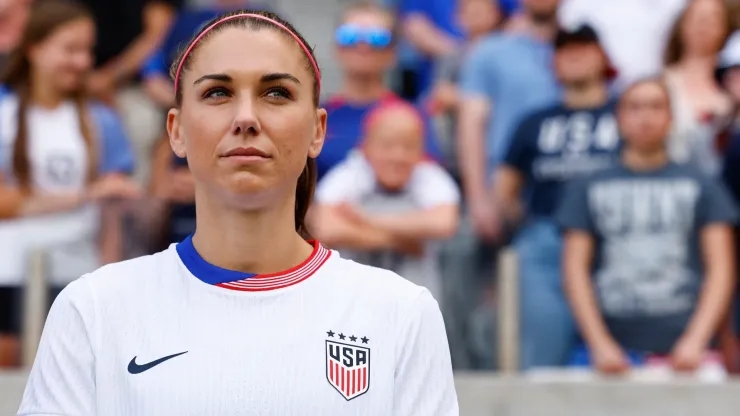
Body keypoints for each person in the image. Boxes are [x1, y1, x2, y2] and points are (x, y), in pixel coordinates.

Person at [18, 10, 458, 415]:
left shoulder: (400, 313)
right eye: (217, 92)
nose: (246, 118)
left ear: (318, 131)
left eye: (276, 92)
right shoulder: (93, 309)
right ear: (176, 132)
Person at [556, 78, 737, 375]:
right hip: (608, 354)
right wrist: (600, 344)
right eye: (635, 107)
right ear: (619, 117)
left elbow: (721, 270)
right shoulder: (587, 186)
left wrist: (696, 341)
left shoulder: (703, 185)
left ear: (671, 117)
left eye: (656, 106)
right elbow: (574, 271)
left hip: (690, 354)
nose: (646, 116)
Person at [0, 0, 139, 368]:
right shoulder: (5, 116)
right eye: (70, 49)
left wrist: (110, 282)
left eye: (87, 50)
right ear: (34, 48)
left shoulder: (101, 121)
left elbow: (113, 213)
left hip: (78, 277)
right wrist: (84, 195)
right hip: (9, 274)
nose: (82, 62)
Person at [495, 24, 621, 369]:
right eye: (564, 49)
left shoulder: (627, 114)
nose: (575, 54)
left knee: (618, 359)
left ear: (603, 58)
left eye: (584, 47)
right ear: (554, 62)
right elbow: (505, 189)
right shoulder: (533, 121)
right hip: (548, 240)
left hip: (617, 241)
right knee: (542, 362)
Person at [313, 102, 460, 307]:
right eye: (388, 145)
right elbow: (325, 228)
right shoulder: (350, 173)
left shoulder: (429, 175)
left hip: (414, 303)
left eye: (408, 146)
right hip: (354, 302)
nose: (397, 156)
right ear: (366, 147)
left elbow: (444, 223)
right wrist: (405, 242)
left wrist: (364, 219)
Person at [318, 1, 440, 181]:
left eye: (377, 38)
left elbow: (432, 187)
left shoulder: (412, 117)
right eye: (349, 36)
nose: (363, 46)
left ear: (393, 53)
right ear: (336, 47)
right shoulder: (316, 117)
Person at [663, 0, 734, 176]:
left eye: (713, 19)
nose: (704, 25)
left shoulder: (733, 88)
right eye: (697, 18)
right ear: (682, 25)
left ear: (725, 29)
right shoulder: (660, 83)